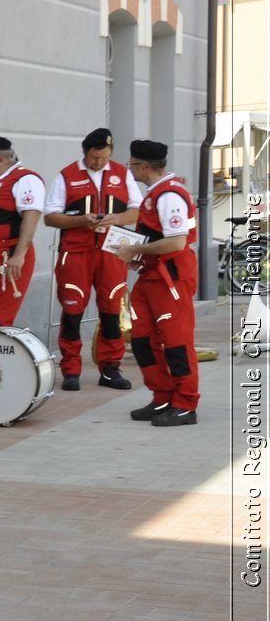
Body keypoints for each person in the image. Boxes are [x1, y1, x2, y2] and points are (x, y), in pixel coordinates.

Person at [42, 128, 142, 391]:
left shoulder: (122, 173)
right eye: (94, 157)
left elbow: (137, 211)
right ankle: (71, 369)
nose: (98, 162)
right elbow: (50, 216)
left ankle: (110, 368)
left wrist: (117, 219)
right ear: (85, 152)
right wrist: (79, 221)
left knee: (111, 312)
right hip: (76, 252)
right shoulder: (67, 176)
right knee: (73, 311)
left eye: (104, 157)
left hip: (112, 251)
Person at [112, 140, 199, 426]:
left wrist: (136, 250)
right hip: (151, 275)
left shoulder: (169, 196)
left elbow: (177, 241)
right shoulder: (156, 194)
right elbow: (158, 237)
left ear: (144, 166)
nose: (129, 168)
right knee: (142, 340)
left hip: (169, 277)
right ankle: (162, 396)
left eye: (132, 164)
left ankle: (185, 403)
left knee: (176, 342)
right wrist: (141, 257)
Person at [0, 136, 46, 326]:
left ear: (0, 160)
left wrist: (19, 255)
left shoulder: (25, 179)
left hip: (5, 258)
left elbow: (32, 216)